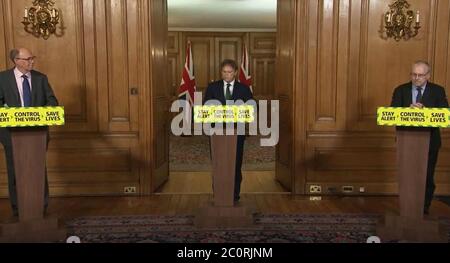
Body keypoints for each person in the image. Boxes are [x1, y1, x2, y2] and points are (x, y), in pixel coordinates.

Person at [0, 48, 59, 217]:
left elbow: (52, 101)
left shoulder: (41, 78)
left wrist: (47, 109)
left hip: (38, 135)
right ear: (16, 61)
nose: (32, 61)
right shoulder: (2, 78)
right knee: (14, 170)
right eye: (28, 59)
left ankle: (41, 206)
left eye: (32, 58)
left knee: (38, 169)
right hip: (11, 134)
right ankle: (17, 208)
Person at [391, 61, 449, 215]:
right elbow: (391, 114)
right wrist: (406, 111)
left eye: (420, 75)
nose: (416, 78)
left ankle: (424, 207)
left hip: (430, 142)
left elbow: (445, 116)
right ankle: (407, 208)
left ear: (428, 75)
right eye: (413, 74)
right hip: (406, 142)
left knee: (427, 176)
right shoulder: (400, 90)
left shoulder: (437, 91)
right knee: (407, 176)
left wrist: (425, 111)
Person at [204, 59, 254, 203]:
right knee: (218, 164)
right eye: (224, 72)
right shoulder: (213, 87)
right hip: (216, 133)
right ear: (221, 72)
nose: (227, 75)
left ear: (236, 73)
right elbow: (206, 108)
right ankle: (219, 193)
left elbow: (252, 107)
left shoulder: (243, 89)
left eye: (230, 72)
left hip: (236, 133)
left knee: (236, 163)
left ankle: (235, 195)